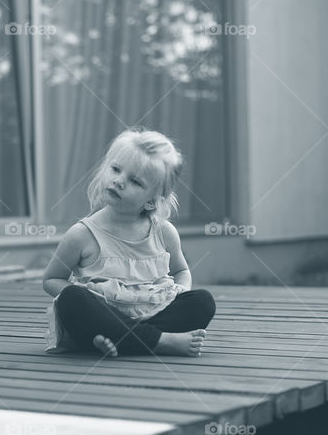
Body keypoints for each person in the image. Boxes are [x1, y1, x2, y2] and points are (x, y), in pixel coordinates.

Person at [42, 128, 215, 357]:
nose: (119, 181)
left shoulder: (164, 232)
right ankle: (160, 341)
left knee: (203, 301)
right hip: (102, 316)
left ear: (152, 202)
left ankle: (122, 341)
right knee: (72, 299)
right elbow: (51, 279)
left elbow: (181, 270)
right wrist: (92, 299)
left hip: (152, 313)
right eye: (115, 169)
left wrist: (179, 291)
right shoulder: (81, 235)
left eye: (135, 181)